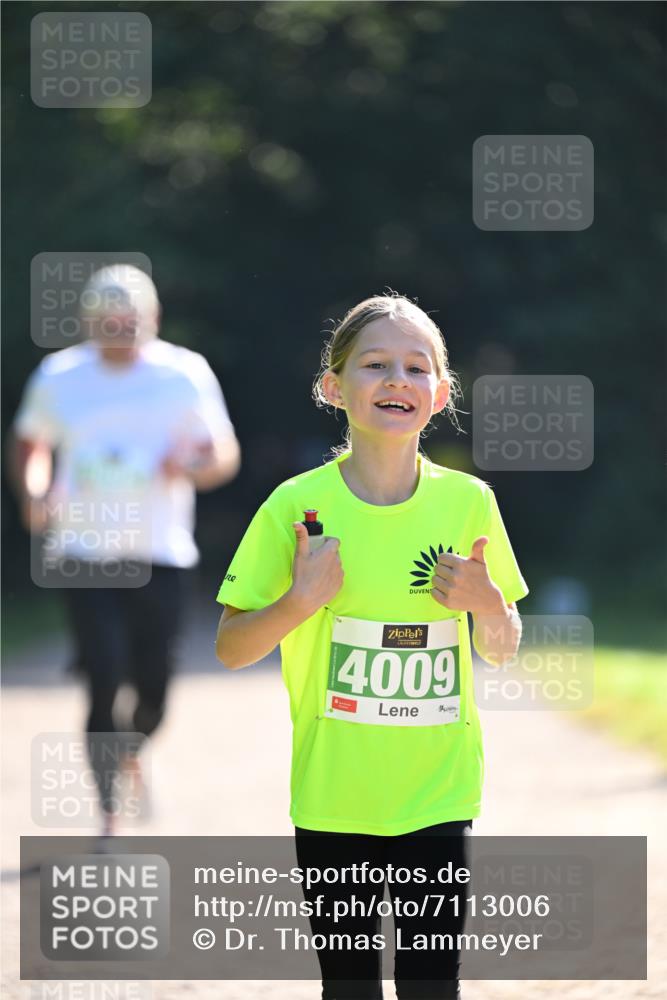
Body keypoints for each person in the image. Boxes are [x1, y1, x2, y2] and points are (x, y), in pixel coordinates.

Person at [215, 293, 528, 999]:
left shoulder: (469, 503)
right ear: (333, 387)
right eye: (375, 364)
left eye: (416, 369)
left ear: (440, 394)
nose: (397, 380)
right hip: (333, 798)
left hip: (438, 792)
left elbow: (503, 645)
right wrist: (300, 601)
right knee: (349, 988)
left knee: (429, 986)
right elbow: (231, 648)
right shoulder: (294, 508)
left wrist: (484, 603)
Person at [10, 264, 241, 836]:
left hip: (160, 552)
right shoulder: (60, 375)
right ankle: (109, 805)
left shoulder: (183, 373)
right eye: (107, 323)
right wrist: (34, 490)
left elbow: (222, 456)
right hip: (84, 552)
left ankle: (134, 749)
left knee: (155, 688)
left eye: (129, 322)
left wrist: (187, 464)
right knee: (104, 675)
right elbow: (30, 441)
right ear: (89, 322)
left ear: (152, 318)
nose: (119, 332)